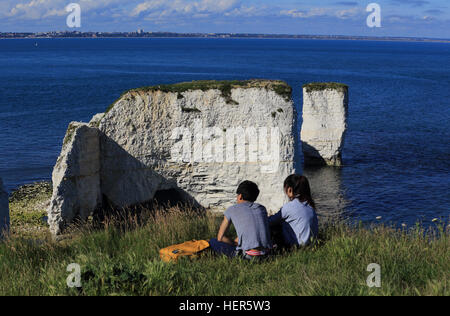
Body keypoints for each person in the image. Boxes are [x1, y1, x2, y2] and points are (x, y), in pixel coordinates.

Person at [209, 181, 272, 260]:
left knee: (213, 241)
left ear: (240, 196)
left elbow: (220, 237)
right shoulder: (262, 208)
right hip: (267, 255)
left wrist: (234, 243)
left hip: (248, 257)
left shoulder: (231, 210)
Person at [269, 175, 319, 248]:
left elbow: (269, 221)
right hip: (312, 244)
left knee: (275, 226)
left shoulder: (289, 207)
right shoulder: (310, 205)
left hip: (297, 246)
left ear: (289, 190)